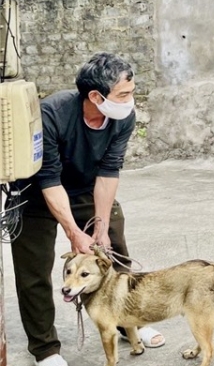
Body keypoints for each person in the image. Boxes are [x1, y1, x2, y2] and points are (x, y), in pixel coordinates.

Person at [10, 53, 165, 366]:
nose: (130, 99)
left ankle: (129, 323)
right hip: (36, 192)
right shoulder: (52, 114)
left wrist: (100, 227)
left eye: (131, 91)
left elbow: (109, 170)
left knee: (116, 252)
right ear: (96, 96)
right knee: (33, 272)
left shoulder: (123, 116)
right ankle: (45, 349)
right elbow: (49, 178)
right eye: (123, 94)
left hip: (84, 187)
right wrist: (73, 233)